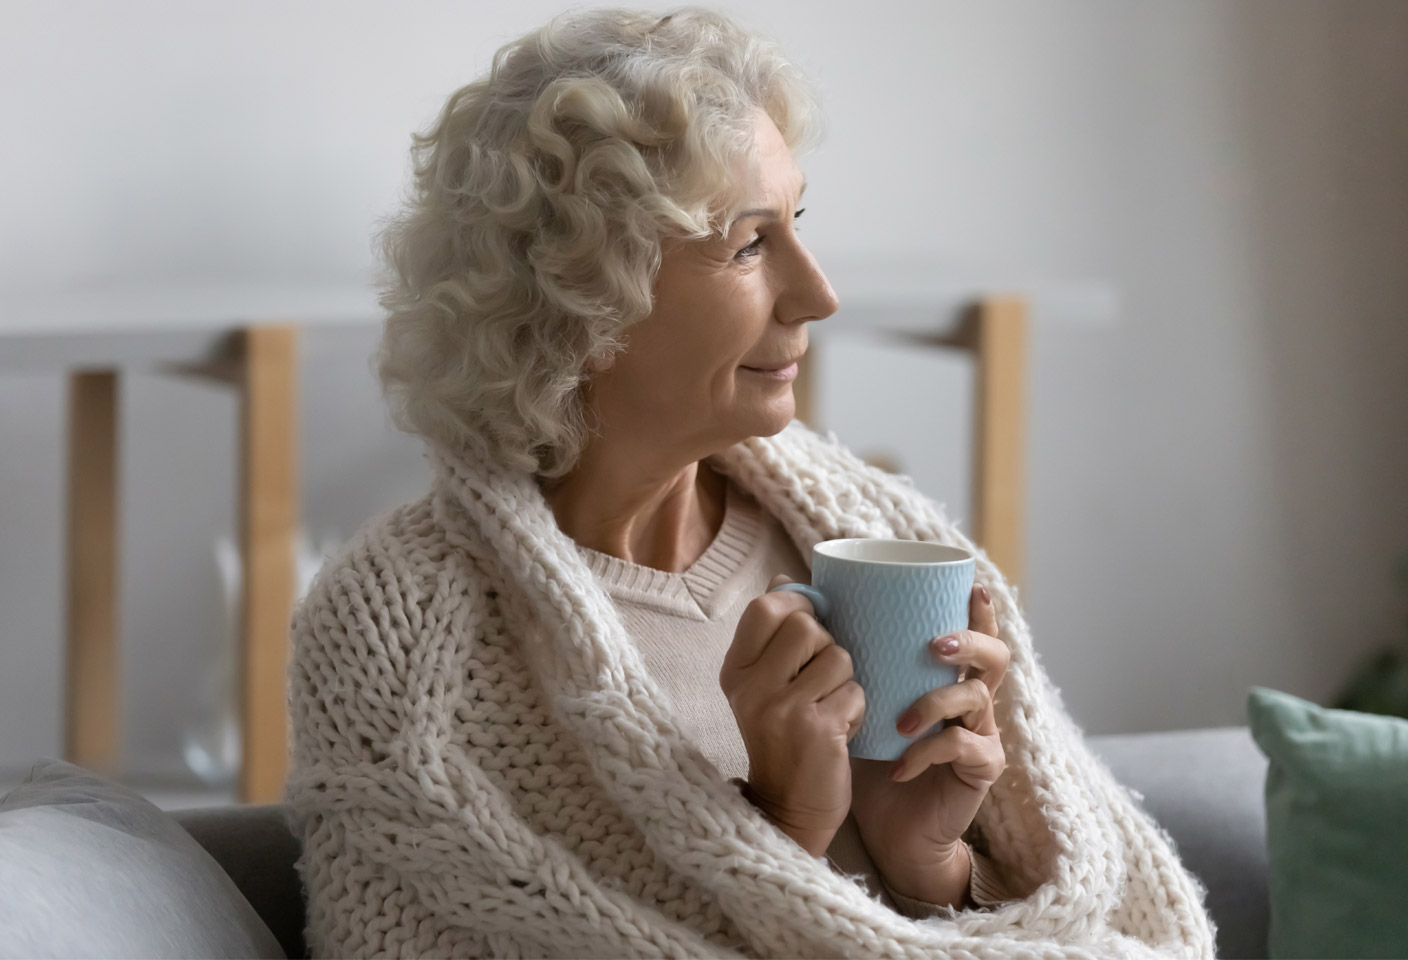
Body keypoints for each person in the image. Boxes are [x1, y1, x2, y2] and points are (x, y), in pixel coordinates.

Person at [284, 8, 1216, 958]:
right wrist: (780, 825)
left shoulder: (869, 524)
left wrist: (930, 865)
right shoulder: (399, 635)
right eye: (748, 244)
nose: (819, 294)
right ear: (583, 296)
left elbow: (1093, 922)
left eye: (797, 222)